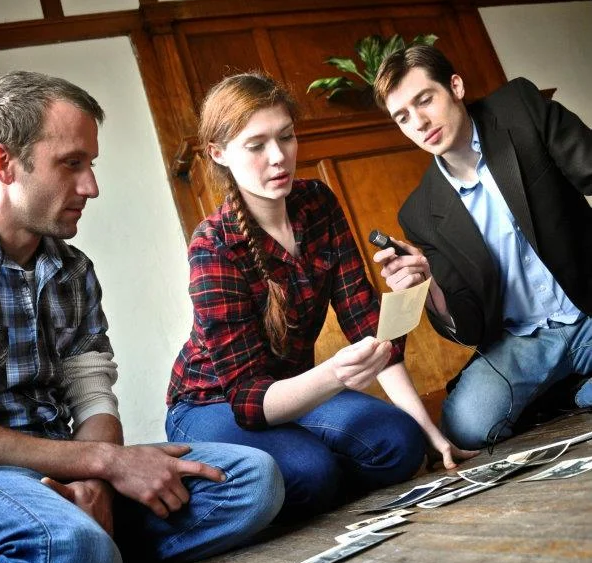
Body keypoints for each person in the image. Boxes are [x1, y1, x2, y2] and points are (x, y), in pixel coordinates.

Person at [0, 71, 284, 563]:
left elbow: (91, 393)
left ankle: (82, 556)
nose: (91, 187)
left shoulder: (74, 269)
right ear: (5, 164)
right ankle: (79, 555)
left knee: (254, 483)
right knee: (75, 555)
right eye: (71, 163)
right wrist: (104, 463)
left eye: (92, 165)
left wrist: (99, 481)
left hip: (69, 460)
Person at [166, 72, 476, 520]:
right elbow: (250, 401)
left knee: (403, 443)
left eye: (286, 137)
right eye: (256, 146)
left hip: (299, 392)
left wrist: (431, 430)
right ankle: (303, 468)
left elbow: (367, 327)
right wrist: (334, 374)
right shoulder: (212, 246)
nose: (279, 157)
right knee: (309, 473)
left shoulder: (317, 204)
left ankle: (311, 467)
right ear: (219, 154)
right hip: (211, 403)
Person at [373, 45, 592, 450]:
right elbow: (470, 326)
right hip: (523, 340)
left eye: (425, 100)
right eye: (403, 117)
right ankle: (571, 394)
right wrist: (429, 288)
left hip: (586, 307)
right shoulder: (420, 212)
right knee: (467, 426)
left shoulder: (519, 109)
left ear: (455, 86)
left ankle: (573, 394)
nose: (419, 123)